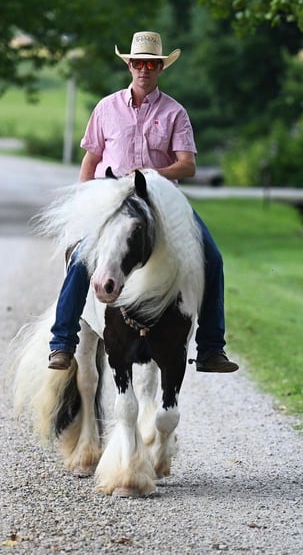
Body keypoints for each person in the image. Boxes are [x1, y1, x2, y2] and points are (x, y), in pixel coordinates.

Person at [48, 31, 238, 374]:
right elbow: (90, 161)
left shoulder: (174, 112)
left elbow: (188, 164)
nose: (144, 69)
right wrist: (82, 203)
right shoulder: (106, 108)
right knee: (80, 257)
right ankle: (62, 343)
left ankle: (211, 348)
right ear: (130, 66)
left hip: (162, 200)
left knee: (213, 257)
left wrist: (152, 172)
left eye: (151, 64)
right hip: (112, 201)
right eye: (138, 63)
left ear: (160, 68)